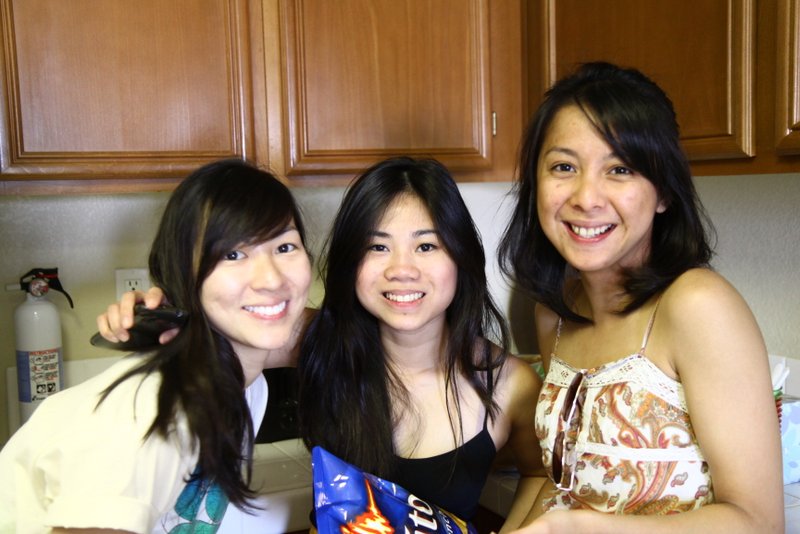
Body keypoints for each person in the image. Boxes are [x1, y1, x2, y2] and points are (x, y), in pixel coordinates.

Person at [498, 62, 784, 532]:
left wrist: (578, 529)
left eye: (620, 169)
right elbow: (565, 482)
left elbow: (757, 521)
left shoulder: (697, 306)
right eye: (564, 167)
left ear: (664, 193)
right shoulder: (555, 312)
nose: (586, 197)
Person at [0, 159, 312, 533]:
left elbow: (337, 337)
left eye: (285, 246)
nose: (271, 279)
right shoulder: (156, 407)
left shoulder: (243, 379)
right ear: (183, 272)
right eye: (232, 254)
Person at [297, 156, 544, 531]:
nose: (402, 270)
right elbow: (222, 333)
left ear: (460, 257)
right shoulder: (321, 343)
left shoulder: (511, 384)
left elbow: (540, 474)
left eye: (426, 246)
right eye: (377, 247)